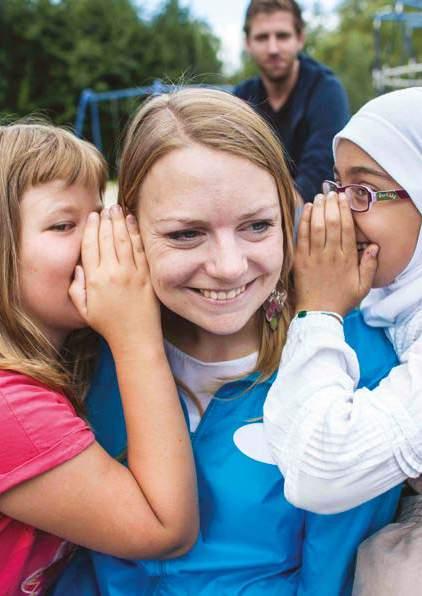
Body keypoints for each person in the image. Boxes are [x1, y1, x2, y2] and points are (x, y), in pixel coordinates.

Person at [53, 88, 400, 596]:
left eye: (257, 226)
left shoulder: (357, 366)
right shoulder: (83, 356)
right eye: (185, 234)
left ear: (288, 217)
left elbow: (332, 576)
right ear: (127, 229)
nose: (228, 266)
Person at [0, 123, 198, 595]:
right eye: (64, 225)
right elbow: (165, 530)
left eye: (99, 216)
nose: (96, 241)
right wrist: (136, 333)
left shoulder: (61, 361)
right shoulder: (11, 412)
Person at [263, 87, 422, 515]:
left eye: (364, 191)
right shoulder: (392, 302)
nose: (338, 211)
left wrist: (318, 312)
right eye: (339, 185)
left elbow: (318, 473)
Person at [234, 0, 350, 204]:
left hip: (310, 214)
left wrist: (278, 217)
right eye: (262, 37)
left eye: (282, 36)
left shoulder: (326, 90)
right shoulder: (241, 98)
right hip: (254, 211)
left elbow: (320, 169)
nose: (273, 48)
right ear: (248, 43)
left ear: (300, 38)